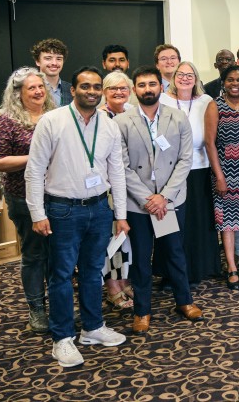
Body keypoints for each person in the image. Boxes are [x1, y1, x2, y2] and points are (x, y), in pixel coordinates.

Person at [26, 66, 128, 367]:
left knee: (93, 270)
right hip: (62, 209)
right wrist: (37, 213)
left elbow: (117, 172)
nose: (92, 92)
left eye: (97, 87)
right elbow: (34, 170)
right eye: (85, 86)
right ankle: (62, 337)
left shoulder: (108, 124)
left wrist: (120, 214)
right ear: (73, 90)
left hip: (98, 208)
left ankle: (93, 328)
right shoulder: (52, 121)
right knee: (60, 274)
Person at [114, 66, 202, 334]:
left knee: (174, 251)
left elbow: (185, 159)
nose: (148, 89)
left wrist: (163, 196)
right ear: (134, 90)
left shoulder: (177, 118)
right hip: (139, 205)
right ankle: (142, 310)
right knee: (141, 258)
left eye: (152, 84)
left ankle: (184, 301)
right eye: (141, 85)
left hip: (169, 201)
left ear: (161, 87)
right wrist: (147, 198)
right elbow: (121, 165)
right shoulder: (121, 122)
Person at [0, 67, 57, 333]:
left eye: (41, 87)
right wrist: (35, 159)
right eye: (32, 88)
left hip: (57, 196)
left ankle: (58, 306)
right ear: (18, 93)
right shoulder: (7, 121)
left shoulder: (55, 116)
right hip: (24, 199)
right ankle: (37, 310)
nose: (39, 91)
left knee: (57, 255)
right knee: (34, 256)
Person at [162, 61, 221, 285]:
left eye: (190, 75)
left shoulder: (206, 101)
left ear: (196, 79)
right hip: (169, 168)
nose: (185, 78)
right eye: (180, 74)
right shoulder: (161, 99)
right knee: (169, 222)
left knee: (197, 222)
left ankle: (199, 268)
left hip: (199, 168)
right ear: (173, 77)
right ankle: (169, 272)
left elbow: (211, 137)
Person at [204, 65, 239, 290]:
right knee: (226, 222)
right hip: (225, 172)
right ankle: (231, 266)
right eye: (230, 80)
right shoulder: (214, 106)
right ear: (223, 82)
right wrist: (219, 176)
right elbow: (210, 143)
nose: (235, 84)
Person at [98, 71, 135, 310]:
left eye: (123, 88)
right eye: (113, 89)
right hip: (109, 187)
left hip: (131, 184)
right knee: (111, 238)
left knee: (125, 239)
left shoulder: (132, 112)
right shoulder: (101, 117)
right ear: (104, 92)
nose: (119, 92)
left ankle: (124, 279)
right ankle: (112, 286)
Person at [31, 38, 72, 107]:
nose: (54, 63)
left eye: (59, 59)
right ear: (37, 61)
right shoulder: (29, 89)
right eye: (48, 58)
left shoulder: (72, 90)